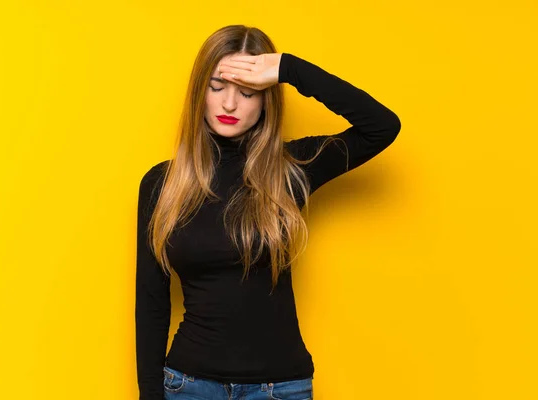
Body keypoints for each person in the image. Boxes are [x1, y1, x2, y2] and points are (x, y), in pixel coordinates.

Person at [135, 25, 401, 400]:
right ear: (199, 93)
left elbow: (381, 127)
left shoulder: (292, 169)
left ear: (266, 102)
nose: (230, 104)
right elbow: (151, 301)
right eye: (217, 87)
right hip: (188, 386)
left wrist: (288, 69)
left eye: (248, 92)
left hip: (279, 389)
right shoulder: (162, 183)